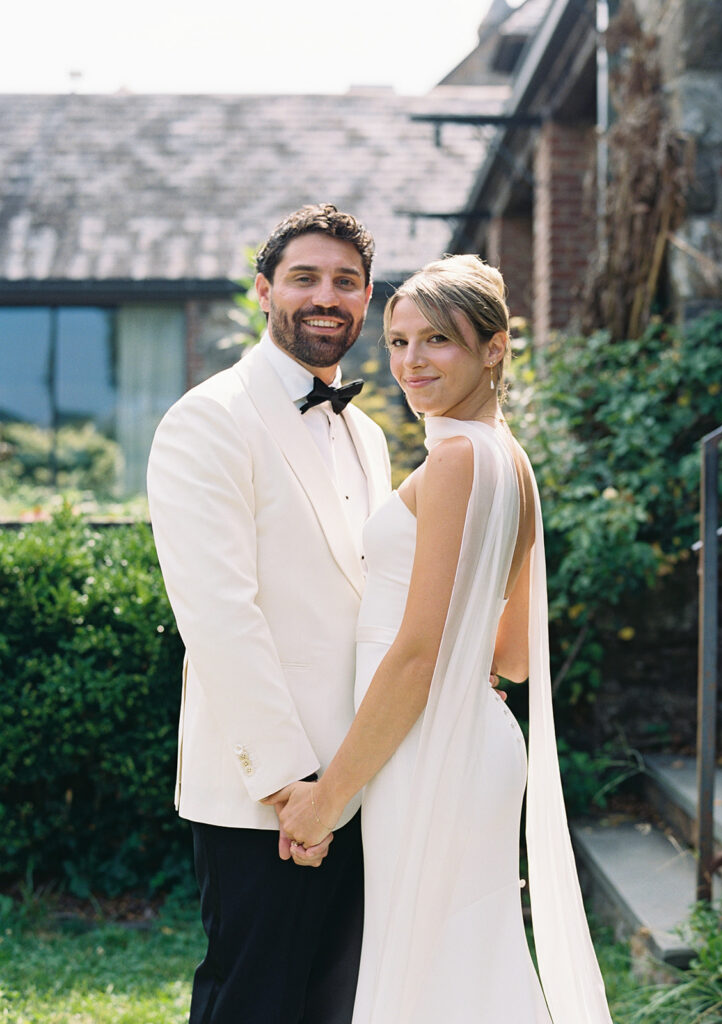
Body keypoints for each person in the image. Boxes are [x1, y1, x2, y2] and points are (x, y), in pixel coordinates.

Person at [270, 255, 613, 1023]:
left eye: (438, 341)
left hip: (431, 751)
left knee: (432, 979)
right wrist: (463, 665)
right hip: (474, 747)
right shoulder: (510, 461)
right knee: (466, 969)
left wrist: (328, 801)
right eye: (397, 341)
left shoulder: (457, 459)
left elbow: (419, 656)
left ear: (494, 348)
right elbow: (514, 658)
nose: (410, 362)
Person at [146, 204, 392, 1024]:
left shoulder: (368, 433)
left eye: (346, 283)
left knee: (338, 1002)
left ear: (366, 300)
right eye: (305, 278)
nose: (327, 296)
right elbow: (220, 618)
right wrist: (294, 789)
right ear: (263, 290)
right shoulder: (208, 420)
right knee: (254, 1002)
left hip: (365, 776)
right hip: (267, 795)